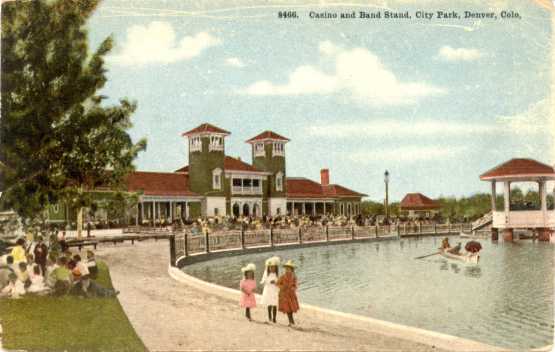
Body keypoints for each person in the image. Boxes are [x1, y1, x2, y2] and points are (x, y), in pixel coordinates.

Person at [277, 260, 299, 327]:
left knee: (291, 308)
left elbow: (295, 285)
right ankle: (291, 321)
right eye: (286, 268)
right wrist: (282, 287)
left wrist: (293, 288)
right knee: (287, 309)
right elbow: (278, 283)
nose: (287, 270)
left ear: (292, 270)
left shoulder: (294, 277)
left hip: (291, 295)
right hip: (284, 295)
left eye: (289, 268)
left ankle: (291, 321)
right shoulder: (282, 276)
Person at [260, 256, 280, 323]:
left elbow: (279, 282)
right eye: (271, 267)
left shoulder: (277, 274)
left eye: (273, 267)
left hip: (274, 291)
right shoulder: (266, 274)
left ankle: (274, 318)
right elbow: (263, 281)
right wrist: (269, 282)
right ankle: (269, 316)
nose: (272, 268)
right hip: (268, 290)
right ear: (268, 267)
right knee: (269, 304)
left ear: (276, 268)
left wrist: (276, 282)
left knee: (274, 304)